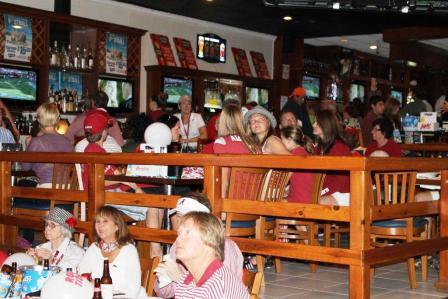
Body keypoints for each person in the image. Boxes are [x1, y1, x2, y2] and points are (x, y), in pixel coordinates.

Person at [154, 193, 244, 298]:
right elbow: (166, 293)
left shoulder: (224, 248)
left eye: (187, 217)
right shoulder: (179, 245)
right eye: (178, 216)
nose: (179, 222)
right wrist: (163, 278)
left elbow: (216, 290)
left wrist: (179, 278)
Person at [173, 211, 249, 298]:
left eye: (187, 233)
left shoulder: (217, 285)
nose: (178, 239)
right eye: (179, 234)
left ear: (209, 242)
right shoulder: (185, 281)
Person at [79, 206, 147, 298]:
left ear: (117, 226)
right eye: (97, 221)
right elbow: (81, 277)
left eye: (105, 221)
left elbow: (133, 290)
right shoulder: (94, 248)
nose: (100, 225)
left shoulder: (129, 250)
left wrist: (100, 286)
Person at [214, 100, 260, 197]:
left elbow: (224, 181)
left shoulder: (222, 143)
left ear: (223, 121)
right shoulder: (254, 144)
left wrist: (221, 210)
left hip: (234, 202)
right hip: (256, 201)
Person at [22, 103, 73, 186]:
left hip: (46, 190)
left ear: (38, 119)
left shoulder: (36, 142)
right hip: (67, 188)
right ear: (58, 119)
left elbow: (25, 169)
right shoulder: (68, 142)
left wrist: (27, 146)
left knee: (21, 186)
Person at [313, 110, 351, 206]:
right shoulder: (319, 148)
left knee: (317, 202)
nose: (313, 125)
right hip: (331, 191)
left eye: (317, 122)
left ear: (326, 125)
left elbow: (340, 181)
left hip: (344, 193)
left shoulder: (338, 147)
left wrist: (320, 192)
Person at [280, 127, 314, 203]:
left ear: (289, 140)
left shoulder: (296, 154)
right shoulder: (303, 152)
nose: (280, 144)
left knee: (269, 202)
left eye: (281, 140)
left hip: (299, 200)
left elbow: (284, 180)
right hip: (305, 197)